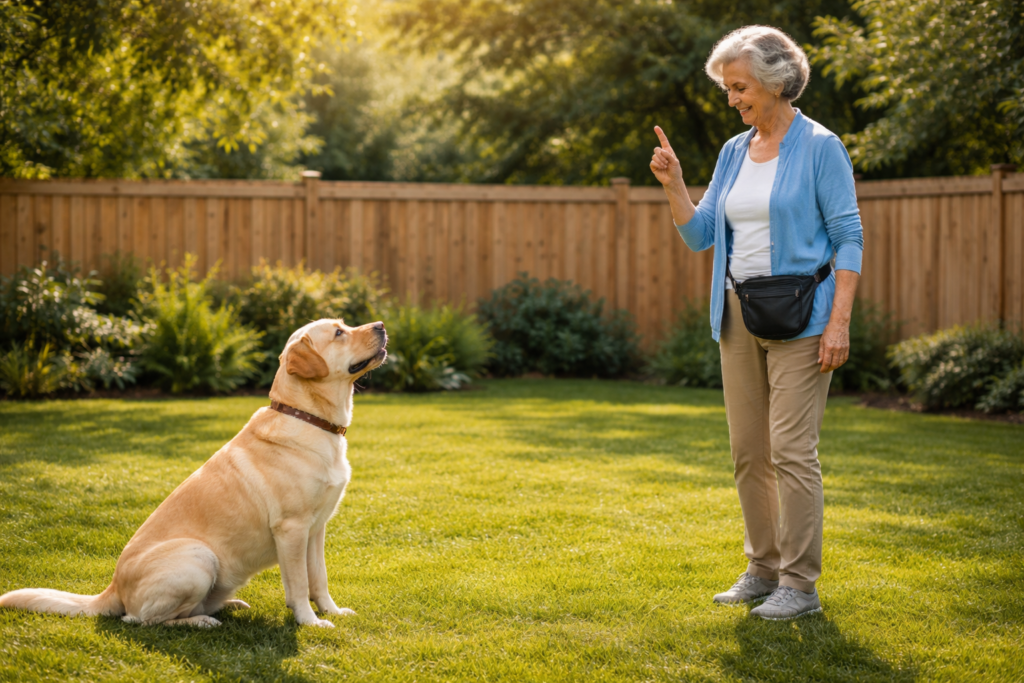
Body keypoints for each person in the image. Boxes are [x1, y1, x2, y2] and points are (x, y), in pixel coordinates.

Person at [649, 25, 863, 620]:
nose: (732, 98)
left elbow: (849, 237)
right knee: (749, 451)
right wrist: (675, 186)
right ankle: (762, 568)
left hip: (806, 317)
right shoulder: (734, 151)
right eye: (727, 88)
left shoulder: (821, 147)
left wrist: (840, 322)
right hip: (738, 315)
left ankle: (800, 584)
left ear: (774, 82)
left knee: (792, 450)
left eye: (738, 86)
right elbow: (701, 235)